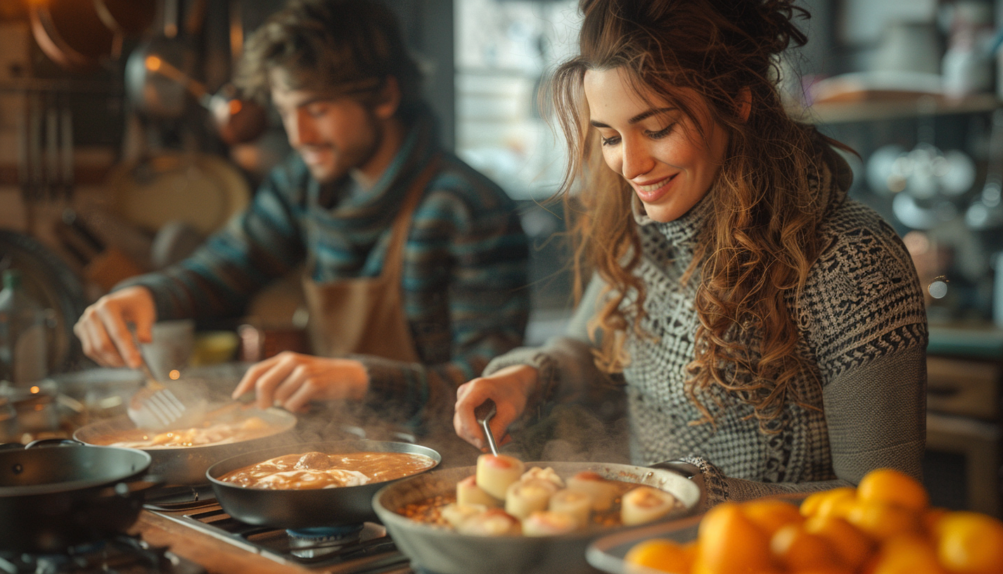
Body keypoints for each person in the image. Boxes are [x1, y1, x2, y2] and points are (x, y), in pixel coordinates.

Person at [453, 0, 927, 507]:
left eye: (656, 129)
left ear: (736, 103)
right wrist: (528, 377)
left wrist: (692, 492)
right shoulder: (644, 231)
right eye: (611, 137)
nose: (630, 165)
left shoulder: (852, 262)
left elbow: (883, 504)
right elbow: (591, 351)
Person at [74, 0, 530, 431]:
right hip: (340, 449)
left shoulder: (468, 207)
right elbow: (228, 265)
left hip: (446, 465)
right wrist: (144, 297)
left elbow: (495, 381)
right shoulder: (304, 186)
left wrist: (361, 379)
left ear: (385, 96)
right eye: (287, 112)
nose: (299, 135)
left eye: (318, 109)